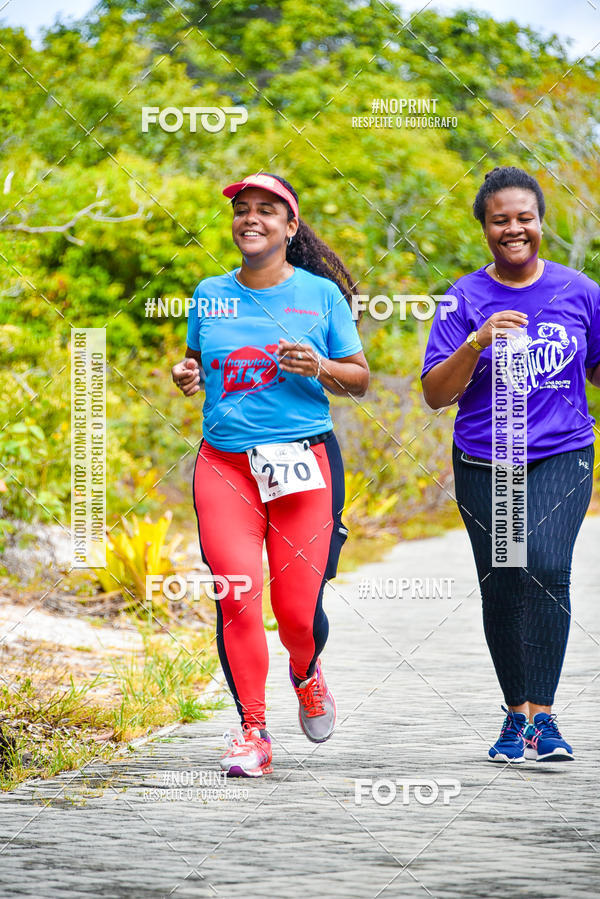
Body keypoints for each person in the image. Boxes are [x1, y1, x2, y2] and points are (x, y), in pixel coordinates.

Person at [171, 172, 369, 777]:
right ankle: (253, 730)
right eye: (242, 210)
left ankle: (306, 674)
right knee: (237, 595)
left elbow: (359, 377)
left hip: (301, 464)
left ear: (290, 225)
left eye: (265, 210)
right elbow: (200, 362)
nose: (250, 219)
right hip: (225, 462)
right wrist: (188, 374)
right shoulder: (209, 292)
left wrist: (320, 365)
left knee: (296, 610)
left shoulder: (320, 296)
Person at [421, 166, 600, 763]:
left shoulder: (580, 291)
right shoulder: (463, 298)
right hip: (488, 458)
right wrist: (476, 341)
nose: (515, 228)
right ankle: (515, 716)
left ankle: (544, 718)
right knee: (503, 580)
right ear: (486, 229)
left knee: (545, 567)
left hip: (562, 451)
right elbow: (435, 394)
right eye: (502, 220)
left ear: (542, 222)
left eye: (525, 217)